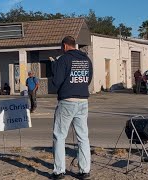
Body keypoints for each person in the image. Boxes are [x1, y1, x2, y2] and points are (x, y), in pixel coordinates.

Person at [51, 36, 93, 180]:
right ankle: (85, 170)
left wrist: (54, 67)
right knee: (83, 137)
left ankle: (59, 171)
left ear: (64, 46)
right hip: (83, 100)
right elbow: (88, 79)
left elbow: (56, 82)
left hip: (67, 101)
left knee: (59, 135)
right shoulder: (86, 60)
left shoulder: (63, 60)